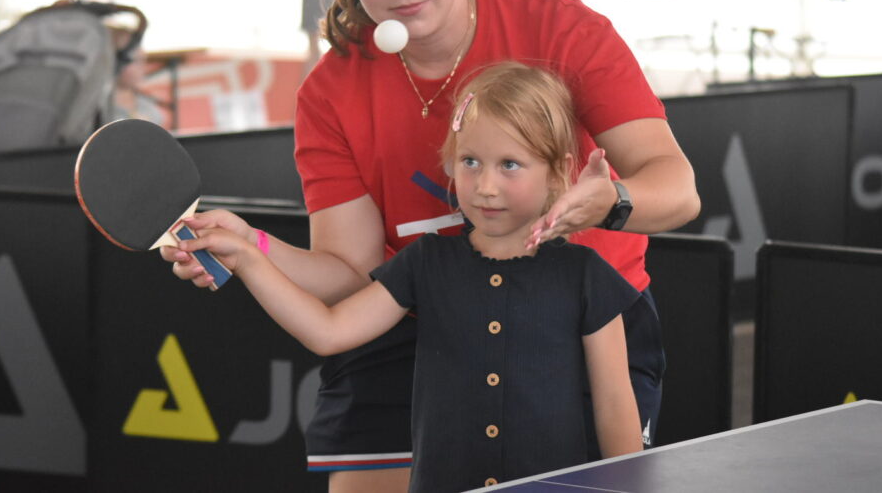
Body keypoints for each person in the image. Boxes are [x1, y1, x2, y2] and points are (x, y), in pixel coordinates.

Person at [166, 0, 700, 493]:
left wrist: (608, 203)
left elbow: (678, 189)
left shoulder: (562, 29)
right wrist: (249, 246)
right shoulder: (330, 93)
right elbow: (351, 274)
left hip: (576, 324)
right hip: (414, 320)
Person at [175, 62, 644, 492]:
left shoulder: (587, 276)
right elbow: (327, 331)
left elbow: (614, 403)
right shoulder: (424, 262)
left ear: (558, 171)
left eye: (510, 165)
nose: (485, 186)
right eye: (471, 162)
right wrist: (249, 258)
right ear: (450, 163)